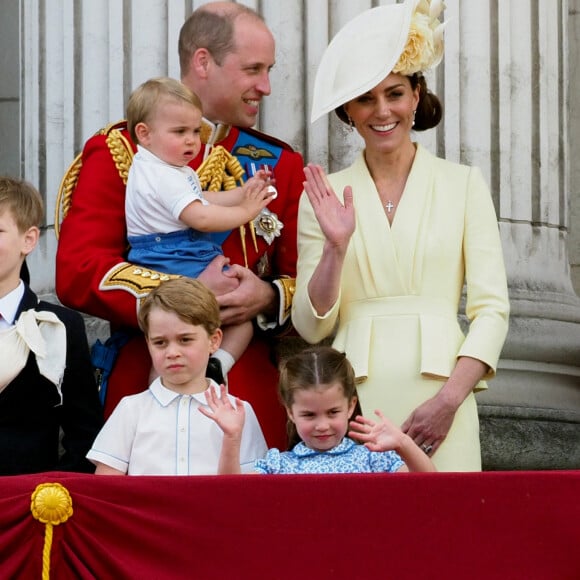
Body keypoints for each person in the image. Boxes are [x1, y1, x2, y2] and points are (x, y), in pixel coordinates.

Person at [55, 2, 304, 450]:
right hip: (148, 382)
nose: (266, 87)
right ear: (203, 62)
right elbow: (79, 270)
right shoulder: (122, 152)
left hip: (246, 389)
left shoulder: (278, 164)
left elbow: (302, 279)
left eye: (269, 70)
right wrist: (182, 299)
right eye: (253, 69)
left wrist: (267, 296)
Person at [292, 0, 510, 471]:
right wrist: (336, 247)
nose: (382, 111)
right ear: (348, 110)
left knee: (448, 536)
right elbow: (312, 328)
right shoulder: (323, 195)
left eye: (394, 94)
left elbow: (492, 310)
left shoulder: (463, 184)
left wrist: (449, 402)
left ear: (416, 95)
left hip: (443, 397)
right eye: (365, 99)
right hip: (353, 404)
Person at [125, 76, 275, 381]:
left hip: (178, 250)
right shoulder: (161, 174)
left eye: (196, 131)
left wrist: (244, 191)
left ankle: (214, 367)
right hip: (172, 254)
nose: (193, 140)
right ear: (145, 133)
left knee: (194, 327)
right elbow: (202, 217)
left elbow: (204, 198)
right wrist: (246, 210)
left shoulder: (165, 167)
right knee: (184, 325)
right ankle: (183, 381)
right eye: (180, 132)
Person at [87, 277, 267, 475]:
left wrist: (232, 438)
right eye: (160, 342)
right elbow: (108, 486)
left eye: (185, 339)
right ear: (148, 343)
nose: (172, 352)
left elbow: (252, 490)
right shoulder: (131, 410)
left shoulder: (239, 411)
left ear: (214, 340)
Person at [0, 176, 103, 475]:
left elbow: (84, 431)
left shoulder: (62, 326)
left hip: (31, 505)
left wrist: (53, 494)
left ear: (29, 240)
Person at [203, 346, 436, 474]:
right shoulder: (279, 466)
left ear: (350, 406)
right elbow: (232, 493)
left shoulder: (373, 460)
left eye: (333, 412)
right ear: (290, 412)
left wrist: (404, 444)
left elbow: (430, 487)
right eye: (309, 415)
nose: (322, 425)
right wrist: (232, 438)